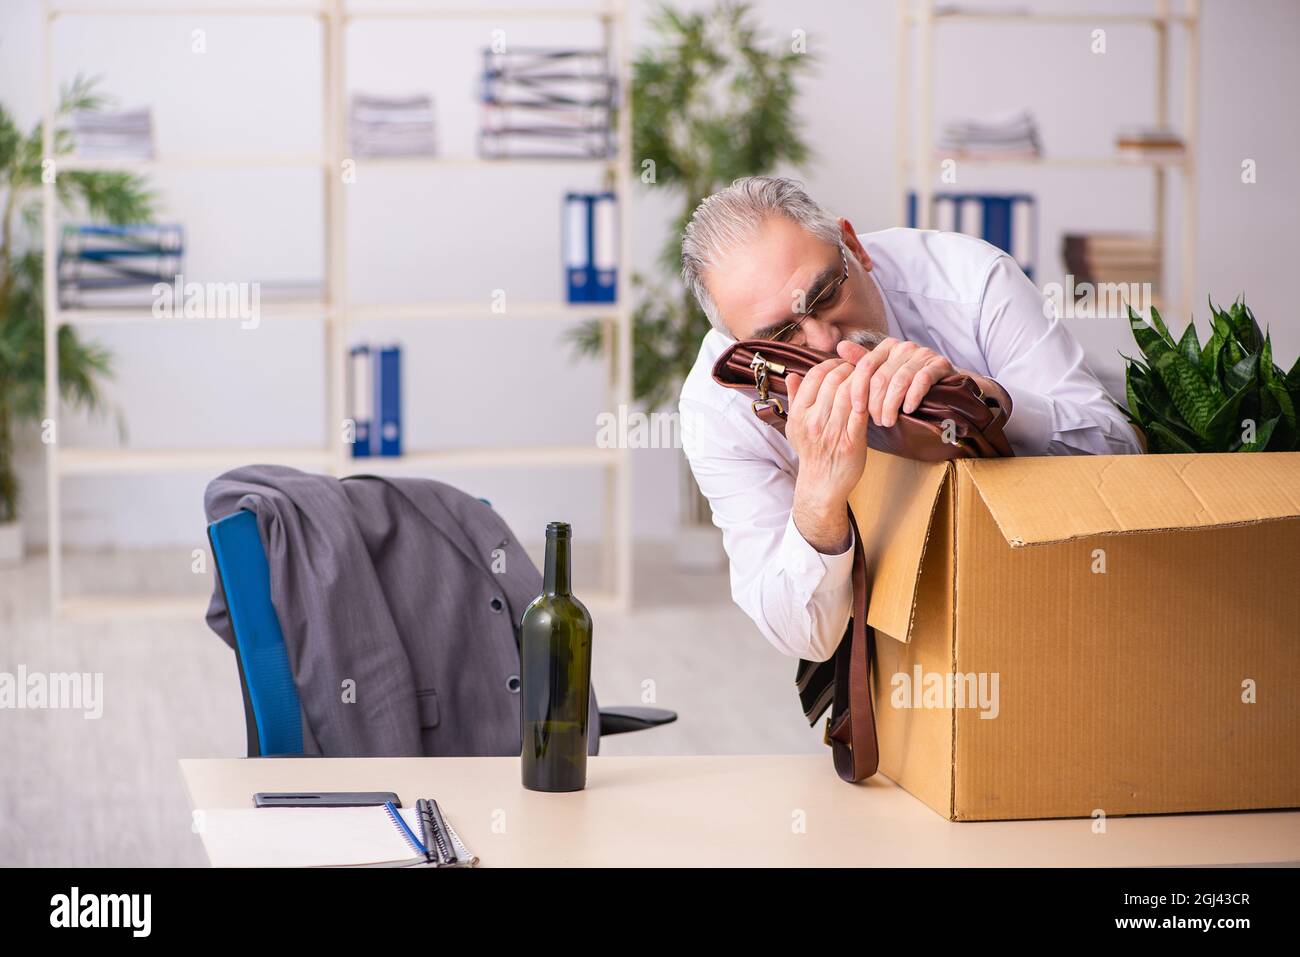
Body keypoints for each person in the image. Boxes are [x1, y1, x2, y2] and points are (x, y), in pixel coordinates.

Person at [677, 176, 1142, 662]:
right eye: (781, 334)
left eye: (826, 295)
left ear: (854, 246)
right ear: (739, 345)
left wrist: (990, 402)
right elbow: (807, 639)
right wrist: (817, 497)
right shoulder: (719, 408)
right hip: (899, 656)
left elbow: (1119, 453)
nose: (820, 341)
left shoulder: (971, 282)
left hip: (1065, 597)